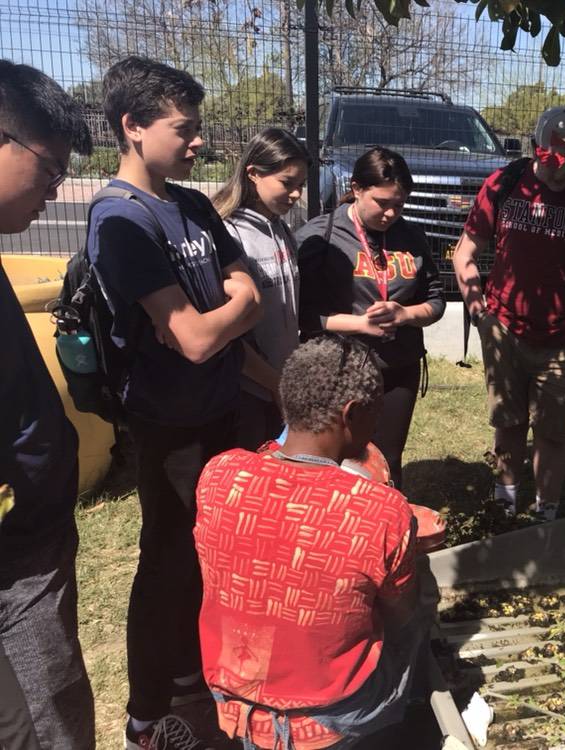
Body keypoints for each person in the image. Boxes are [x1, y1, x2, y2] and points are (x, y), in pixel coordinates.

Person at [90, 56, 261, 749]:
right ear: (133, 126)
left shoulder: (189, 204)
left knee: (213, 558)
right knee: (166, 564)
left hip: (221, 411)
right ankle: (146, 715)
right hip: (169, 428)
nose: (198, 142)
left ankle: (195, 681)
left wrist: (228, 308)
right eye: (184, 129)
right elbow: (192, 340)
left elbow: (247, 287)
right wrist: (230, 310)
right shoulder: (119, 219)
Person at [194, 334, 427, 750]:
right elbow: (400, 612)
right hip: (331, 715)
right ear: (352, 413)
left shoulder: (220, 474)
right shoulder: (380, 509)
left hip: (237, 703)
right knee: (419, 612)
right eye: (375, 414)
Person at [451, 106, 565, 521]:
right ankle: (504, 507)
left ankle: (547, 515)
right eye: (552, 161)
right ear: (534, 148)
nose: (561, 173)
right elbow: (464, 254)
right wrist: (480, 316)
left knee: (554, 435)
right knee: (508, 424)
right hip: (504, 331)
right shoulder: (504, 184)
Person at [0, 60, 96, 750]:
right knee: (39, 726)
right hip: (15, 558)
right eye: (50, 167)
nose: (56, 189)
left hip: (34, 543)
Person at [297, 147, 445, 489]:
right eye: (382, 202)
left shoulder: (411, 237)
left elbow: (436, 300)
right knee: (338, 461)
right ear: (357, 188)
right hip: (339, 371)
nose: (391, 213)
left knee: (387, 462)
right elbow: (303, 316)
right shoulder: (322, 236)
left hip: (398, 369)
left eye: (400, 204)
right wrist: (361, 325)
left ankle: (386, 519)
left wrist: (405, 314)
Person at [212, 128, 309, 449]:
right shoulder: (229, 234)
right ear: (253, 173)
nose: (295, 194)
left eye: (301, 185)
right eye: (287, 183)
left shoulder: (282, 229)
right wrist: (272, 382)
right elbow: (230, 336)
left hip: (280, 385)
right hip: (247, 391)